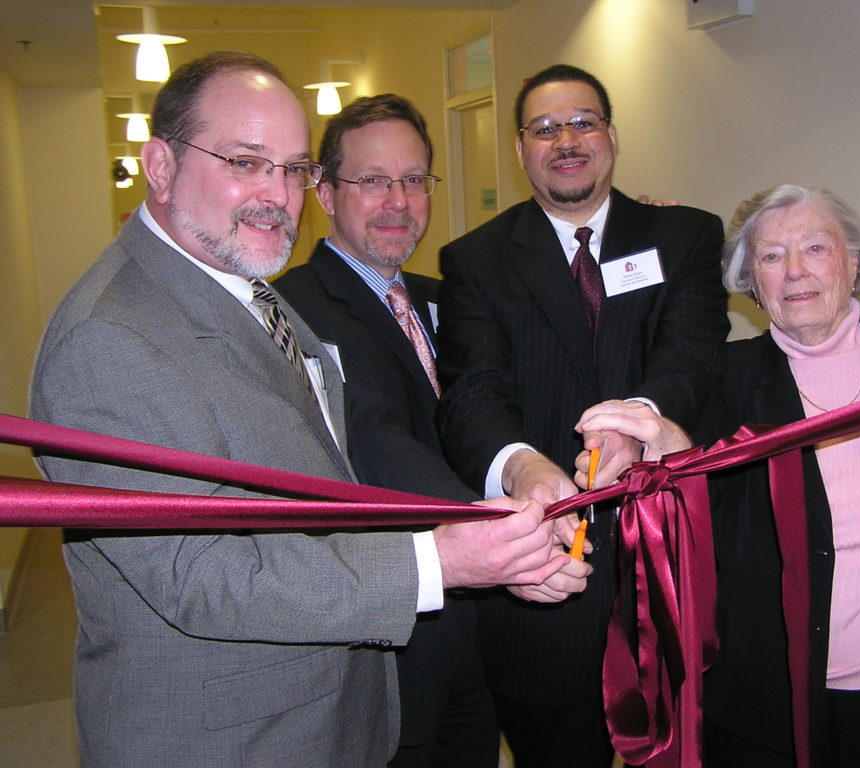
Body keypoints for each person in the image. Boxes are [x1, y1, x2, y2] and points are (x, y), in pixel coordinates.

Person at [29, 52, 573, 768]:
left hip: (325, 705)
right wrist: (437, 558)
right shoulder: (111, 336)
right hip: (227, 735)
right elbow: (201, 575)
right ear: (159, 166)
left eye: (290, 169)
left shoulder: (245, 285)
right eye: (245, 162)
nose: (276, 194)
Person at [576, 184, 860, 767]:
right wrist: (653, 452)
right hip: (769, 705)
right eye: (772, 256)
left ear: (856, 261)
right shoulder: (722, 381)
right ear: (752, 281)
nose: (795, 271)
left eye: (816, 249)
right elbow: (693, 492)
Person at [276, 94, 592, 767]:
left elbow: (541, 355)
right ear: (326, 194)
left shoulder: (446, 293)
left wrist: (631, 242)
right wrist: (498, 532)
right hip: (393, 644)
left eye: (414, 180)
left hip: (476, 638)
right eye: (373, 181)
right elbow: (372, 435)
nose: (398, 201)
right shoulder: (295, 309)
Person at [435, 63, 730, 766]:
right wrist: (525, 466)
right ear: (519, 150)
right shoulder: (475, 260)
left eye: (582, 121)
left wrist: (639, 424)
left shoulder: (684, 236)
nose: (564, 139)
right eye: (543, 128)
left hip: (667, 577)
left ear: (612, 136)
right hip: (545, 595)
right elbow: (471, 392)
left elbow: (690, 353)